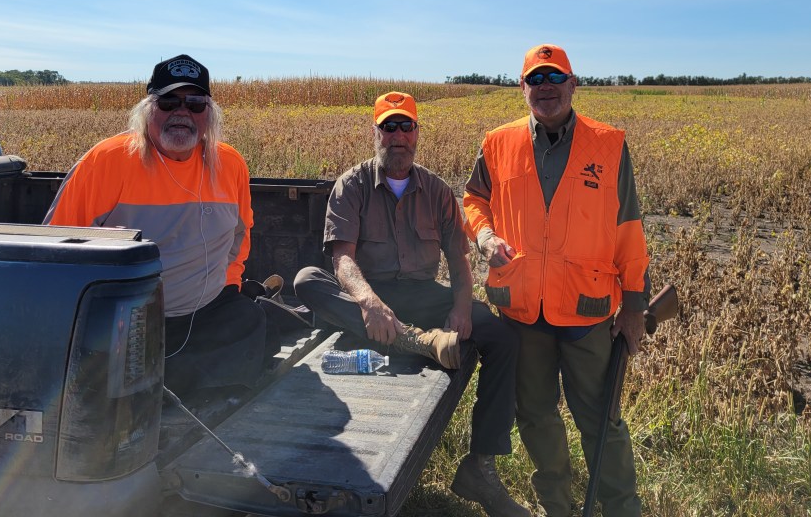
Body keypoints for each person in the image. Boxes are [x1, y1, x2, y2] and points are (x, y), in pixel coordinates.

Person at [294, 91, 530, 517]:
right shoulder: (352, 185)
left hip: (421, 295)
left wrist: (462, 307)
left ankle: (481, 466)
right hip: (370, 296)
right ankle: (416, 340)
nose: (398, 135)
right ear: (376, 133)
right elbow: (342, 259)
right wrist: (369, 301)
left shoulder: (436, 190)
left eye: (406, 126)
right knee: (306, 280)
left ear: (417, 133)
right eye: (389, 127)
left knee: (503, 338)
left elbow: (458, 261)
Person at [463, 44, 651, 517]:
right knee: (535, 415)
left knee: (601, 419)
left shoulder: (608, 144)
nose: (545, 87)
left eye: (554, 77)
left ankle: (622, 508)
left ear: (573, 84)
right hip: (522, 308)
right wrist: (484, 235)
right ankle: (557, 506)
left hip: (587, 310)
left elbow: (628, 226)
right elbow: (473, 200)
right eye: (536, 79)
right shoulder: (497, 143)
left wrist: (634, 305)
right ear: (522, 87)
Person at [44, 54, 267, 396]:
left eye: (195, 104)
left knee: (249, 320)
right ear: (148, 109)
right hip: (128, 316)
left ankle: (164, 383)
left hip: (205, 309)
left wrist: (229, 284)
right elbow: (55, 244)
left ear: (209, 114)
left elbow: (240, 235)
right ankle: (167, 384)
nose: (182, 112)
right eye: (168, 102)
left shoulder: (230, 163)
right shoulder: (106, 161)